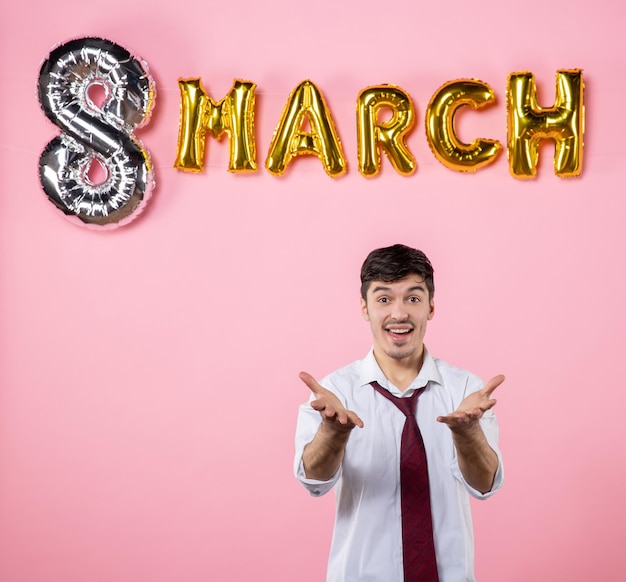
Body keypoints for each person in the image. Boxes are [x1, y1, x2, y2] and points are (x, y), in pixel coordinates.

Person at [294, 244, 504, 582]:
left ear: (431, 307)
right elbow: (313, 481)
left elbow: (485, 486)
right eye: (383, 299)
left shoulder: (466, 392)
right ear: (364, 307)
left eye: (413, 298)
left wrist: (467, 435)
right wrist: (332, 434)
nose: (399, 314)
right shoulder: (334, 393)